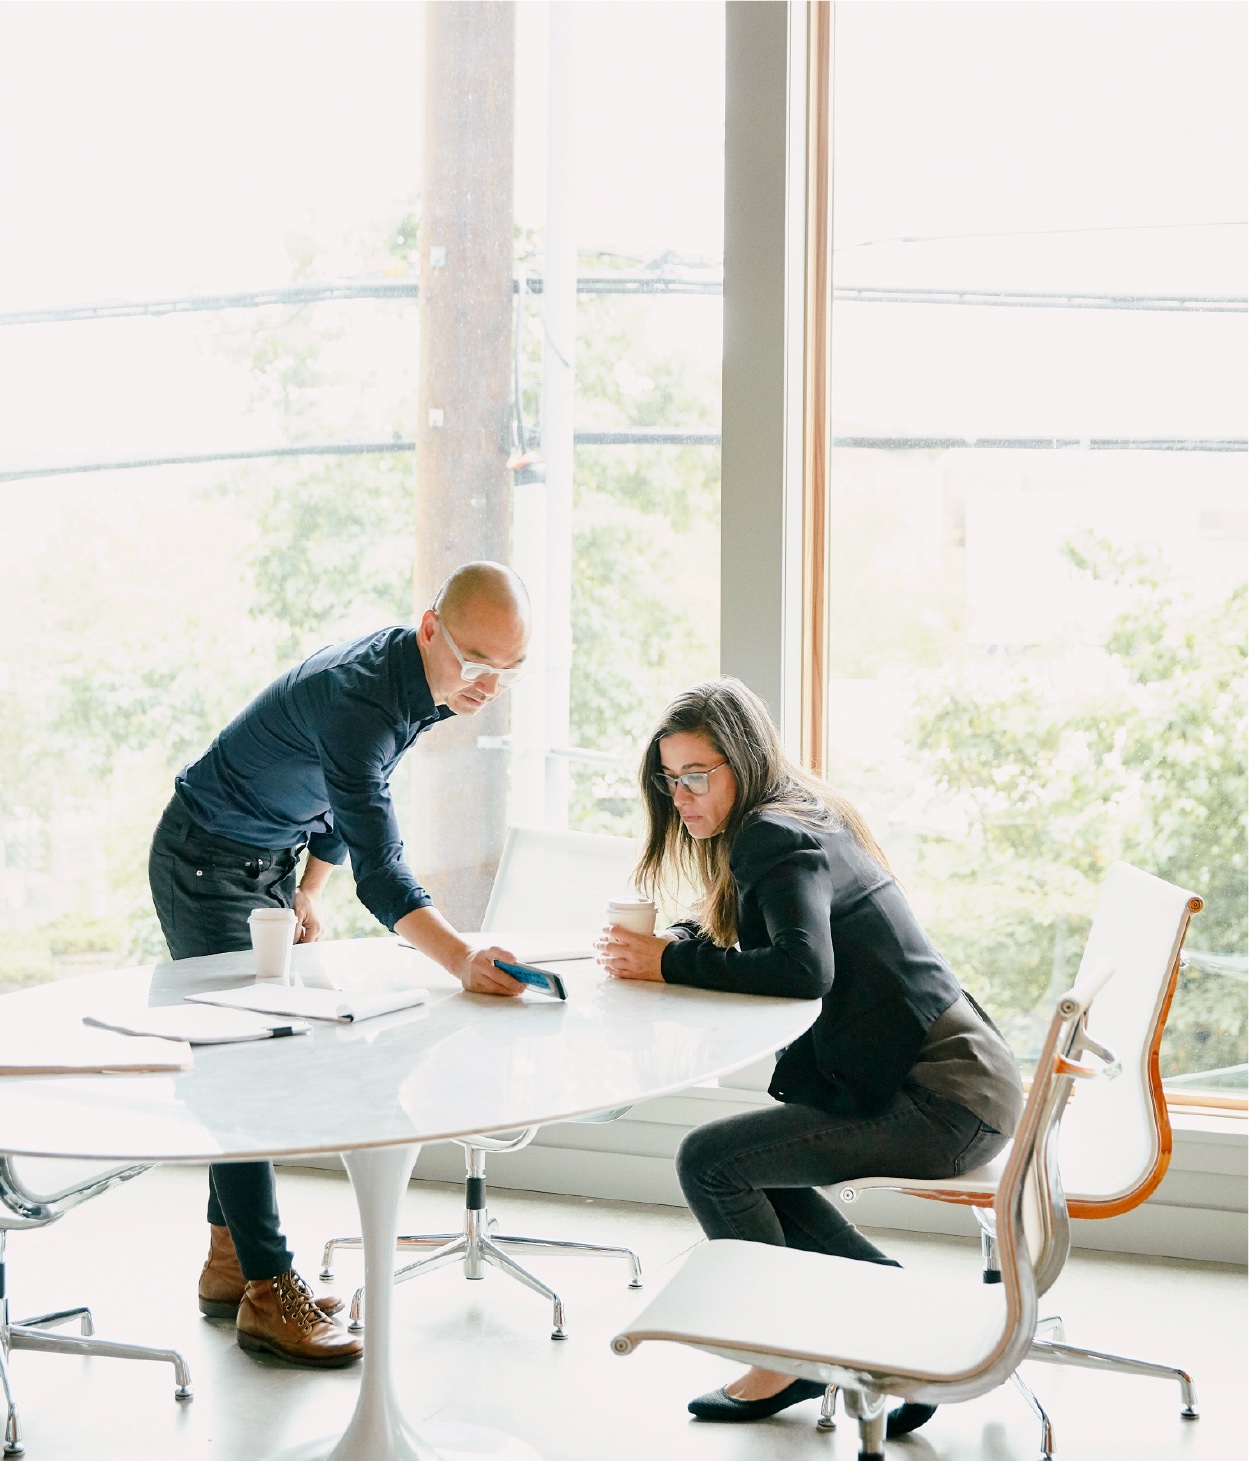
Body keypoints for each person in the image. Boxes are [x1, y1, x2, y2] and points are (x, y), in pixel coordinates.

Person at [598, 677, 1023, 1435]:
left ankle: (786, 1351)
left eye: (698, 775)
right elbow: (784, 936)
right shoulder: (796, 812)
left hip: (942, 1099)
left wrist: (665, 963)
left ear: (743, 760)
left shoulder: (771, 832)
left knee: (711, 1160)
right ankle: (904, 1329)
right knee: (756, 1165)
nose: (682, 795)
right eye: (670, 778)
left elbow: (802, 969)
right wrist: (684, 945)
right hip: (968, 1081)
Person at [148, 561, 532, 1367]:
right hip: (206, 861)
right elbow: (383, 869)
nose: (488, 685)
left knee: (253, 1060)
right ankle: (267, 1287)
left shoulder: (422, 681)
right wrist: (460, 957)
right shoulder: (361, 697)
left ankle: (228, 1265)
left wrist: (308, 889)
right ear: (430, 626)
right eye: (475, 662)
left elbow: (347, 792)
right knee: (244, 1070)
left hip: (265, 862)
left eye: (508, 670)